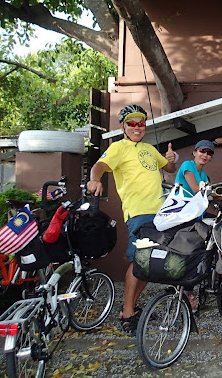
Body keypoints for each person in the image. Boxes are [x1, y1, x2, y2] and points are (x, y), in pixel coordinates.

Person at [87, 104, 177, 336]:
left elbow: (168, 167)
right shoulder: (118, 147)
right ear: (123, 127)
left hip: (160, 213)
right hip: (138, 212)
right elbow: (99, 166)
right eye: (132, 123)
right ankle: (127, 314)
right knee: (138, 261)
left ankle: (132, 307)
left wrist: (172, 158)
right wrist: (94, 179)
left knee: (150, 263)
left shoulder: (149, 148)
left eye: (141, 123)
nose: (137, 127)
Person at [174, 139, 215, 311]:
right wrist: (213, 191)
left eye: (209, 153)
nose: (205, 155)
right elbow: (196, 189)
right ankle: (186, 291)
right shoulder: (188, 166)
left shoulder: (203, 174)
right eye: (202, 151)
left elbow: (207, 193)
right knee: (189, 252)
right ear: (195, 152)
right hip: (183, 216)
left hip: (196, 216)